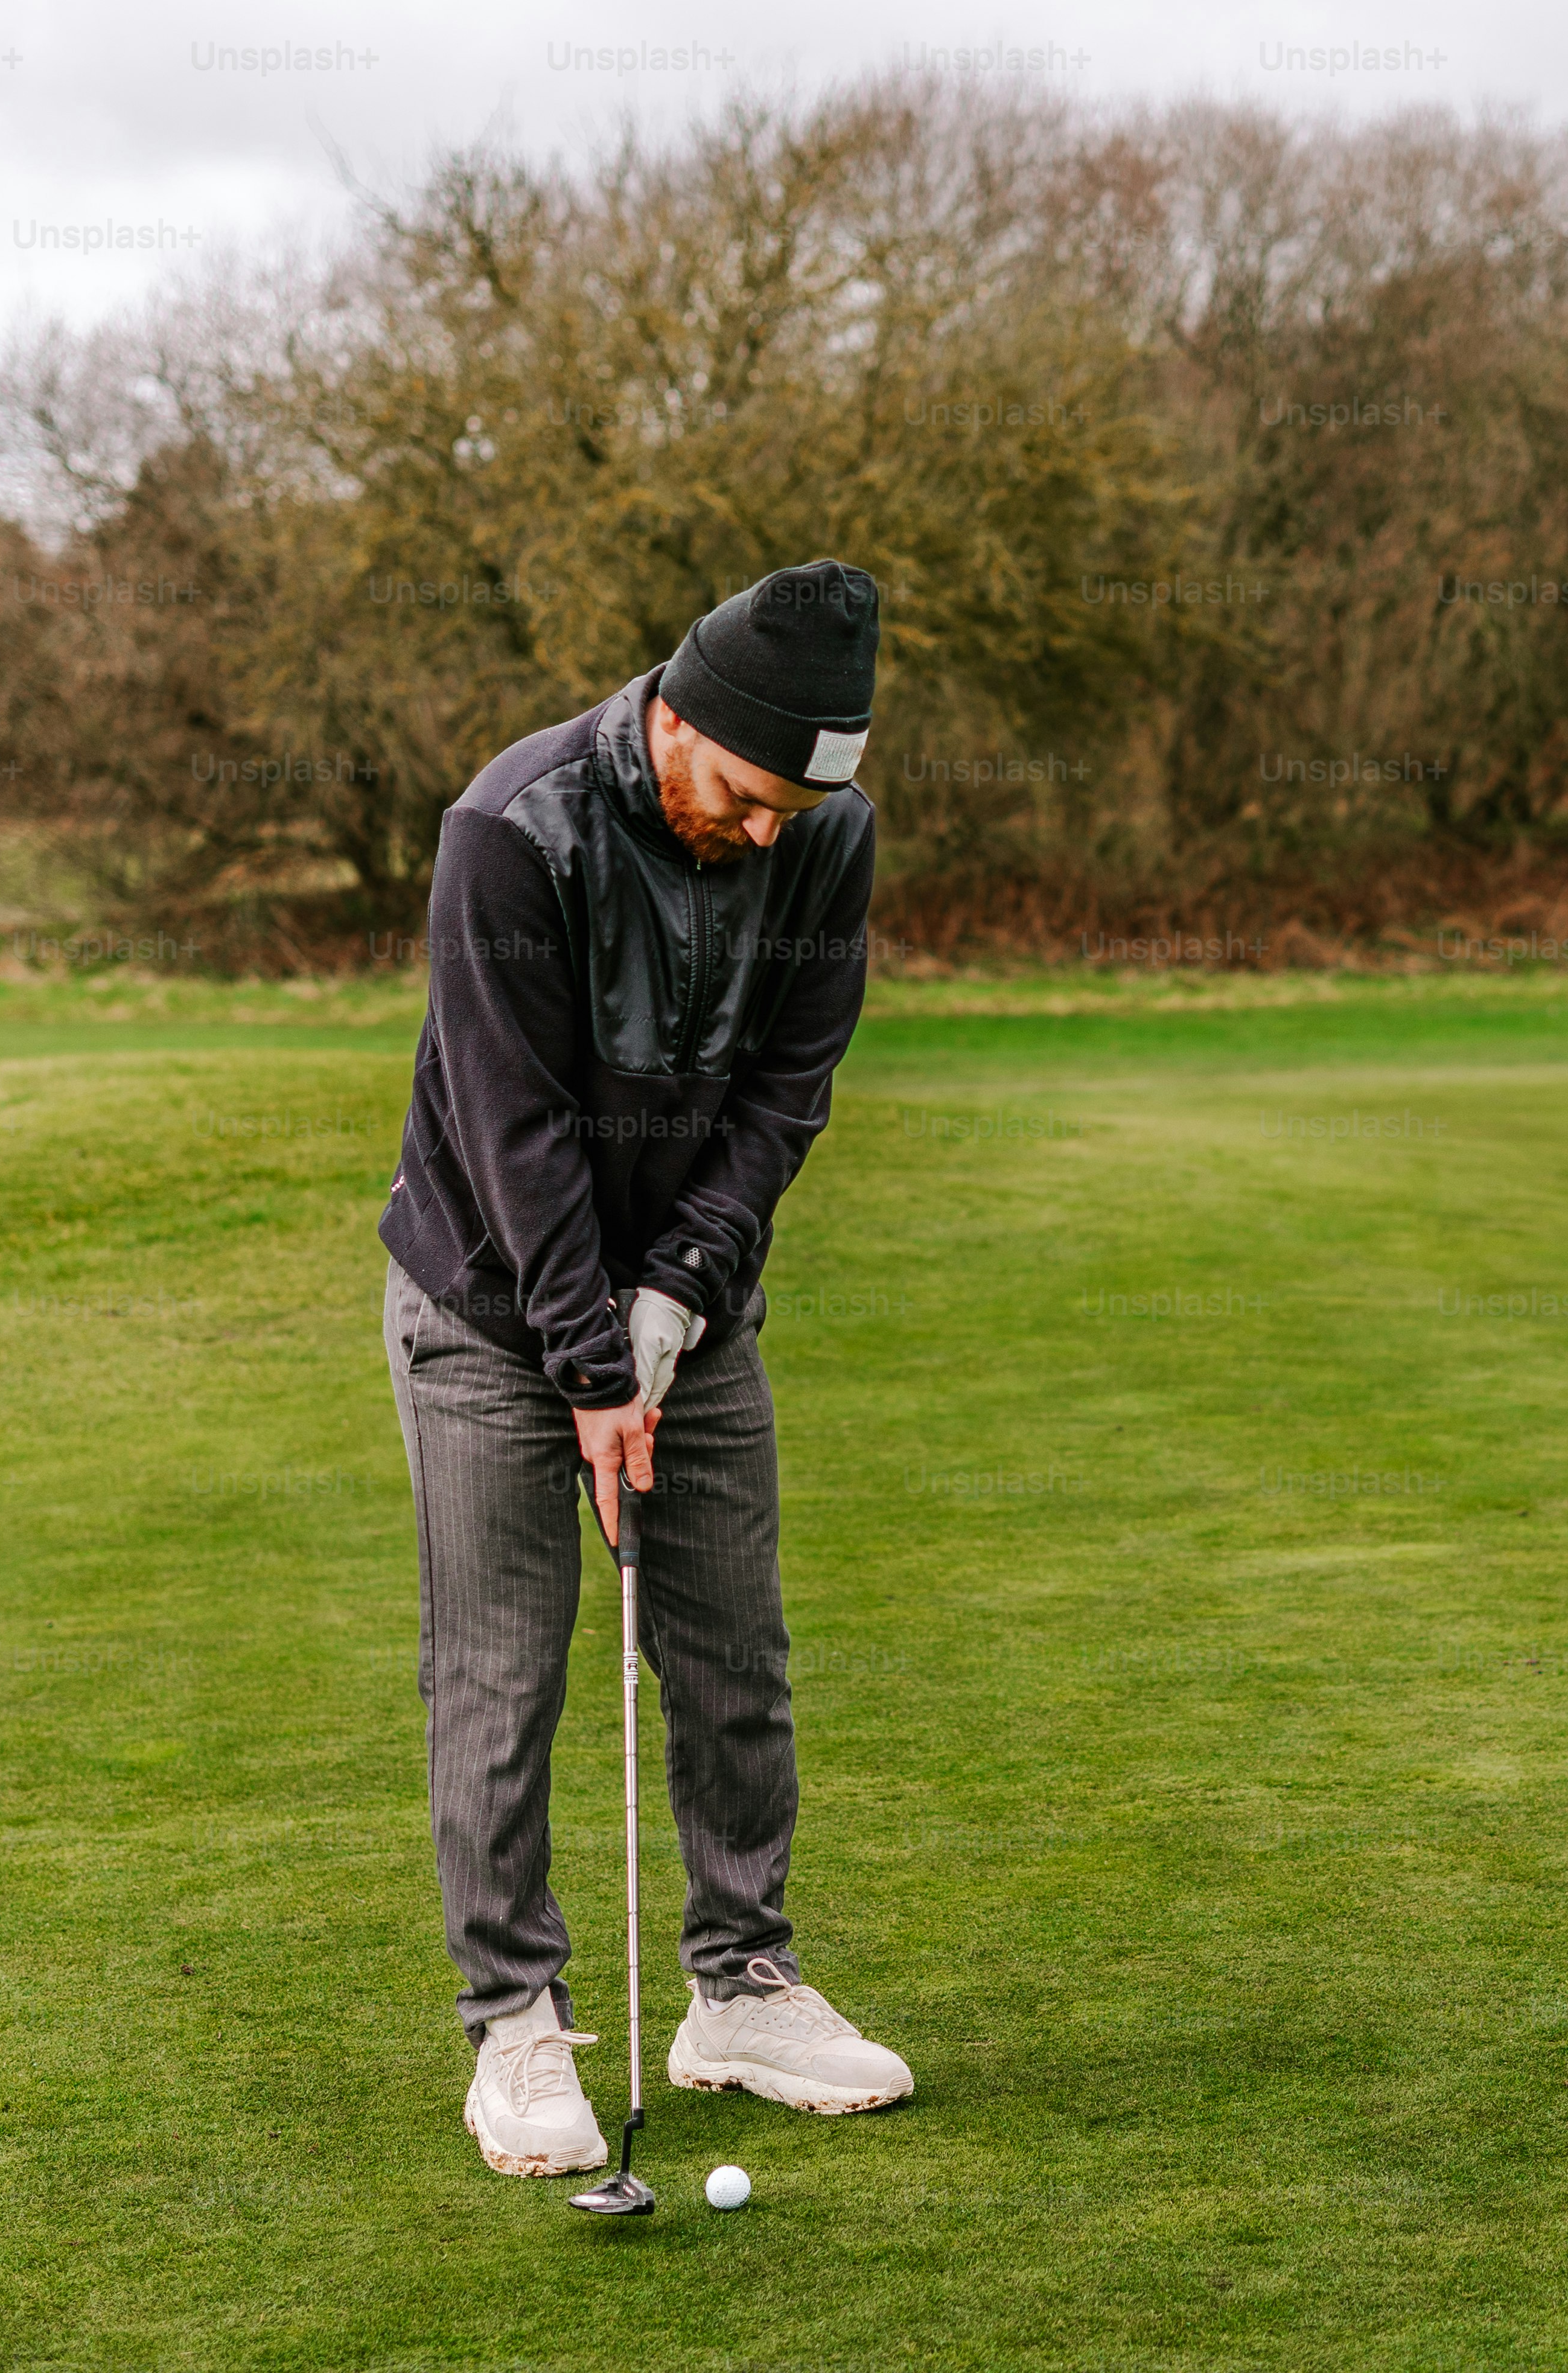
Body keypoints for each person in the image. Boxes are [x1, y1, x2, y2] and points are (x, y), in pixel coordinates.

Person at [378, 559, 914, 2178]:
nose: (768, 837)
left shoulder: (821, 833)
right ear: (678, 719)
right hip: (487, 1299)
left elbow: (783, 1095)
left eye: (793, 815)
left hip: (692, 1304)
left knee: (735, 1649)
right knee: (504, 1670)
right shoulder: (514, 832)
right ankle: (516, 2025)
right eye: (748, 798)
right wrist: (594, 1358)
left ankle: (740, 1983)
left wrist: (685, 1288)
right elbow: (514, 1131)